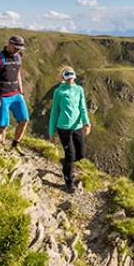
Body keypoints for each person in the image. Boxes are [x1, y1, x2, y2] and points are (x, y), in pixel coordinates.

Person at [48, 65, 91, 193]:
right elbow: (54, 112)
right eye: (67, 75)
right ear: (63, 78)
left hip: (77, 127)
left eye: (71, 75)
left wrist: (86, 123)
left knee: (81, 153)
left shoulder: (79, 90)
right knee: (71, 155)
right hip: (64, 128)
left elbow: (82, 107)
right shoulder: (59, 92)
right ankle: (68, 181)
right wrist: (51, 132)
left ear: (75, 76)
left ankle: (66, 161)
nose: (70, 78)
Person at [0, 35, 29, 154]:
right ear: (9, 44)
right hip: (2, 96)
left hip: (16, 95)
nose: (17, 50)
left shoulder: (19, 56)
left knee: (24, 120)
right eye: (15, 47)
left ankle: (15, 144)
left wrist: (21, 90)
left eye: (19, 48)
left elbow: (18, 73)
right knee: (3, 125)